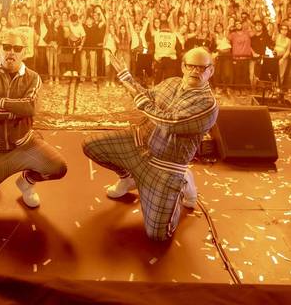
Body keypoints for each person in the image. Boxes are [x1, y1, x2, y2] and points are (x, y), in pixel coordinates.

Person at [82, 47, 218, 242]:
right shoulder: (171, 83)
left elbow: (171, 123)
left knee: (158, 234)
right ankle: (128, 178)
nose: (196, 71)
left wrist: (143, 103)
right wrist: (125, 76)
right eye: (191, 66)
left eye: (202, 67)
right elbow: (147, 95)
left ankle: (184, 180)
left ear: (210, 71)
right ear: (183, 67)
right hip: (139, 143)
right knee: (90, 145)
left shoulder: (208, 104)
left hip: (165, 166)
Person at [0, 29, 67, 219]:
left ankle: (25, 182)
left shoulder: (33, 77)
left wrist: (1, 102)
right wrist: (16, 112)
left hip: (23, 144)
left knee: (58, 167)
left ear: (24, 52)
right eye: (6, 47)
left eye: (17, 48)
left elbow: (31, 107)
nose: (11, 52)